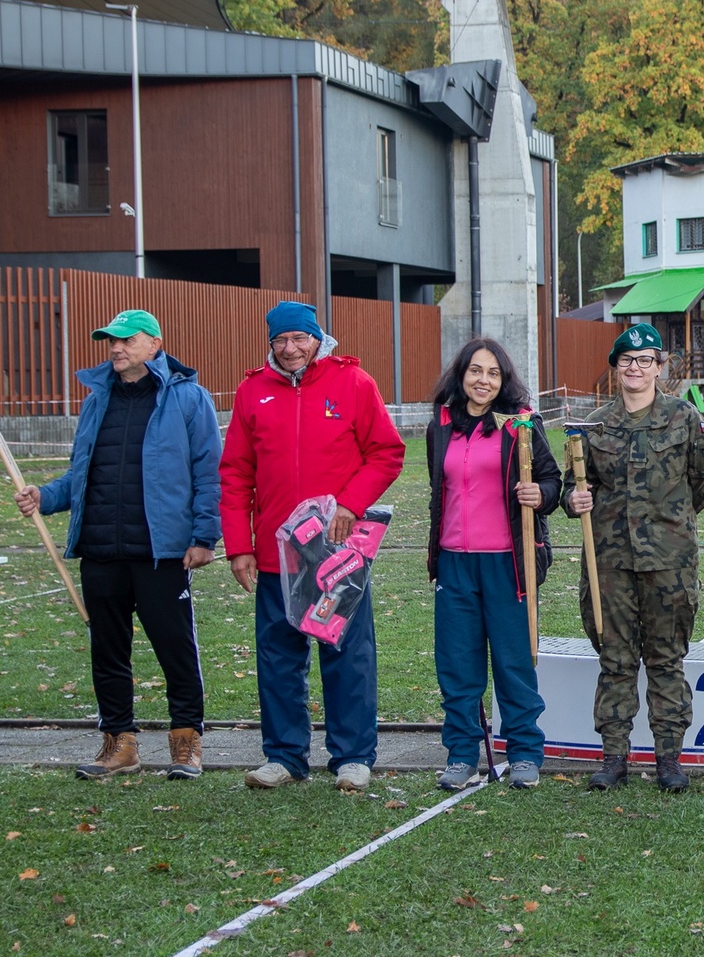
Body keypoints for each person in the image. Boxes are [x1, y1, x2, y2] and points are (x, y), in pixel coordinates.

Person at [13, 310, 220, 780]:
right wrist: (45, 496)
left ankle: (186, 743)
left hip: (161, 552)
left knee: (175, 647)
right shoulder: (97, 401)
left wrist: (205, 536)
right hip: (101, 548)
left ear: (155, 343)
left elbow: (209, 474)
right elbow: (82, 473)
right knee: (108, 650)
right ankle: (119, 743)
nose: (115, 348)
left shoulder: (188, 398)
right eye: (110, 340)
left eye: (126, 340)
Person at [221, 301, 405, 792]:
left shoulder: (353, 384)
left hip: (338, 553)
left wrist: (350, 504)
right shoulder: (251, 392)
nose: (290, 349)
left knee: (347, 654)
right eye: (280, 341)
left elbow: (387, 453)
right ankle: (284, 756)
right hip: (275, 555)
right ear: (271, 345)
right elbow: (235, 474)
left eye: (299, 339)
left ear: (318, 339)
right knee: (278, 655)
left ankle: (353, 756)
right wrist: (239, 545)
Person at [565, 324, 704, 793]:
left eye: (645, 360)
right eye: (627, 361)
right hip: (609, 562)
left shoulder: (684, 418)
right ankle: (614, 757)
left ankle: (668, 758)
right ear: (616, 368)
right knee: (615, 660)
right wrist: (575, 502)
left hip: (669, 563)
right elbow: (576, 487)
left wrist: (667, 520)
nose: (636, 368)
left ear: (659, 367)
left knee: (666, 659)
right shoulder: (592, 426)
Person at [426, 338, 563, 791]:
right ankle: (462, 753)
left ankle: (524, 751)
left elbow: (551, 481)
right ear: (461, 374)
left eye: (493, 373)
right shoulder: (441, 425)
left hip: (508, 564)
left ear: (504, 381)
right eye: (475, 371)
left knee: (513, 662)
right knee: (457, 666)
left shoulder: (520, 426)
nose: (483, 380)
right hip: (454, 564)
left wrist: (539, 495)